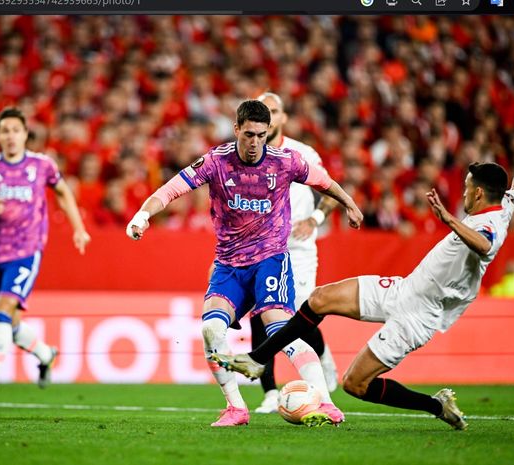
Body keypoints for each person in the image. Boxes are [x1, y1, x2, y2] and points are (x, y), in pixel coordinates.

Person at [212, 127, 514, 430]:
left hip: (419, 315)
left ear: (481, 194)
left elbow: (484, 246)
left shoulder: (489, 226)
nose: (465, 194)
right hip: (404, 288)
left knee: (355, 384)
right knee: (319, 299)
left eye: (468, 189)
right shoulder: (502, 206)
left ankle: (436, 405)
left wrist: (449, 219)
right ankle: (257, 360)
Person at [127, 100, 363, 427]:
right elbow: (170, 190)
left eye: (261, 136)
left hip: (270, 260)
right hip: (229, 266)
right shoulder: (215, 161)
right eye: (249, 134)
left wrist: (349, 205)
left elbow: (326, 182)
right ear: (236, 129)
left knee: (281, 331)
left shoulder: (286, 161)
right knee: (210, 329)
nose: (254, 143)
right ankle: (236, 408)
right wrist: (142, 215)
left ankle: (326, 402)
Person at [0, 108, 91, 406]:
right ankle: (46, 354)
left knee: (4, 309)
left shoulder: (41, 164)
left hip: (27, 250)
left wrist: (78, 228)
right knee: (10, 321)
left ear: (24, 134)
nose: (10, 136)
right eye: (4, 130)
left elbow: (62, 192)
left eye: (15, 130)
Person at [251, 92, 339, 414]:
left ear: (283, 117)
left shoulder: (303, 152)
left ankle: (324, 357)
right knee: (260, 316)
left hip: (298, 250)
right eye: (264, 113)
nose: (269, 118)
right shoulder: (246, 155)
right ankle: (270, 392)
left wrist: (314, 219)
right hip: (260, 247)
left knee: (299, 317)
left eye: (274, 112)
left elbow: (329, 190)